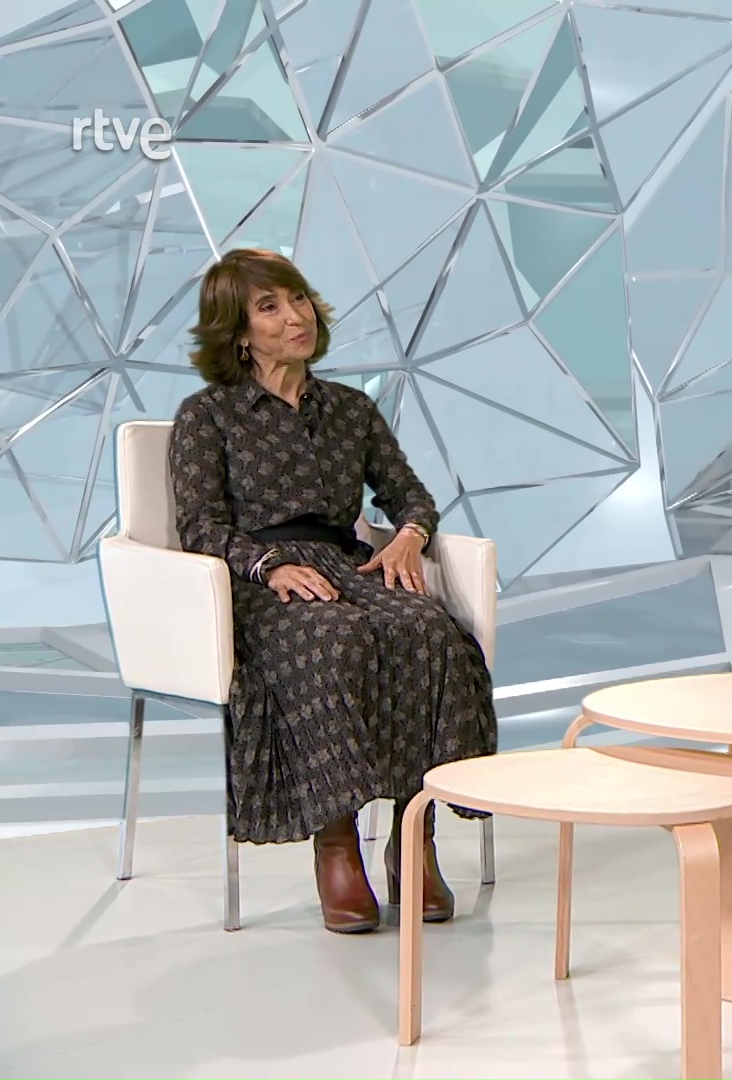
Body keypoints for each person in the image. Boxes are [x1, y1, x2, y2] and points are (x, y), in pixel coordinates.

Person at [169, 248, 497, 934]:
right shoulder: (209, 416)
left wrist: (408, 536)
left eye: (298, 300)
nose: (296, 317)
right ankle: (338, 843)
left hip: (348, 564)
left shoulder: (351, 409)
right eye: (270, 307)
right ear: (238, 332)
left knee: (430, 632)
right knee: (333, 636)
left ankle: (414, 837)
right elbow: (199, 525)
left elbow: (409, 495)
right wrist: (267, 566)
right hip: (261, 580)